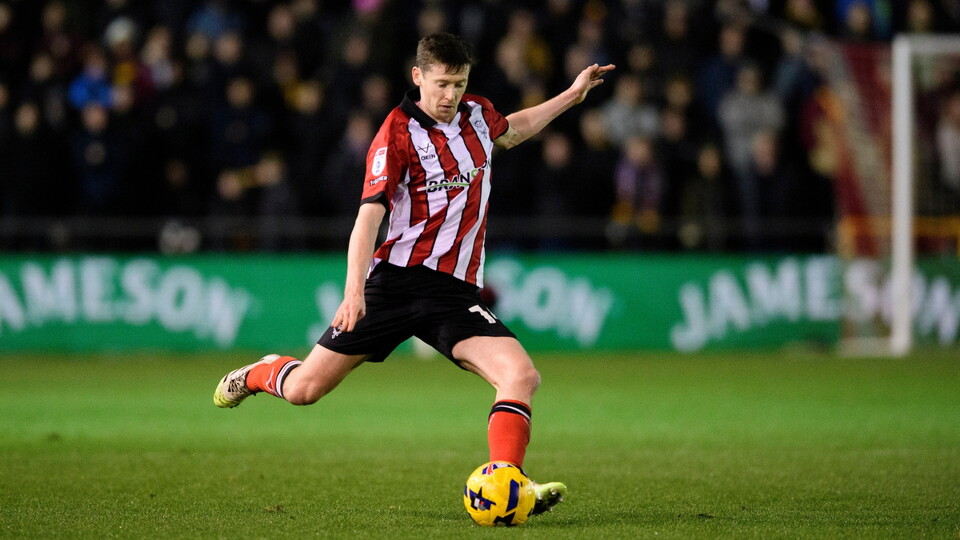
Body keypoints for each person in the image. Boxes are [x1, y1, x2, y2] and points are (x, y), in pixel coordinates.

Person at [213, 32, 613, 517]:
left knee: (521, 374)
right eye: (442, 84)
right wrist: (353, 291)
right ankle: (260, 373)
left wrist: (573, 94)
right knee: (304, 391)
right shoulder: (396, 135)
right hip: (393, 286)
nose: (450, 96)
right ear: (418, 77)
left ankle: (508, 483)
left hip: (453, 294)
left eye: (460, 84)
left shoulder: (478, 114)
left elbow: (512, 129)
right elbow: (368, 218)